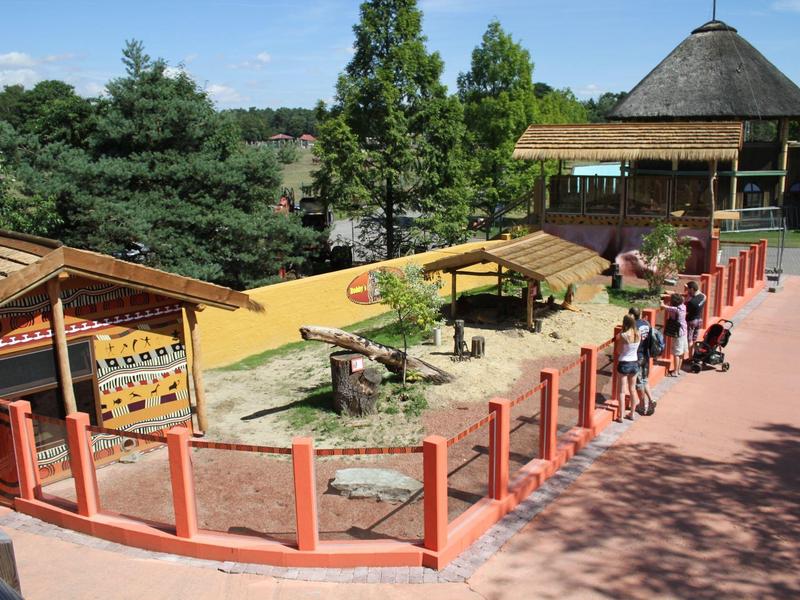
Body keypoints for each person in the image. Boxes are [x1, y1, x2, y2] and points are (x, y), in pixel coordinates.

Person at [629, 307, 655, 415]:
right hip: (646, 355)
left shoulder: (634, 327)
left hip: (638, 356)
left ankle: (642, 405)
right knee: (644, 380)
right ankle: (651, 400)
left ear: (631, 315)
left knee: (639, 383)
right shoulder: (646, 323)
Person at [615, 314, 641, 422]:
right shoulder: (638, 334)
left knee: (621, 391)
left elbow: (619, 350)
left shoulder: (624, 335)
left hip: (624, 363)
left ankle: (621, 416)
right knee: (632, 389)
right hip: (635, 362)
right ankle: (632, 414)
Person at [662, 292, 687, 376]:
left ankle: (675, 372)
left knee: (676, 353)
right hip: (684, 332)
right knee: (681, 353)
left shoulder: (675, 310)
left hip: (678, 333)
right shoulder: (683, 306)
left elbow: (664, 307)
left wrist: (662, 302)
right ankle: (678, 370)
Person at [684, 280, 706, 359]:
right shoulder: (703, 296)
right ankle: (694, 355)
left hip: (691, 321)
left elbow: (685, 309)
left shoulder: (691, 302)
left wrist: (687, 297)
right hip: (699, 320)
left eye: (688, 289)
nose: (687, 290)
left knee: (689, 340)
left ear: (692, 289)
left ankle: (690, 358)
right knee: (694, 339)